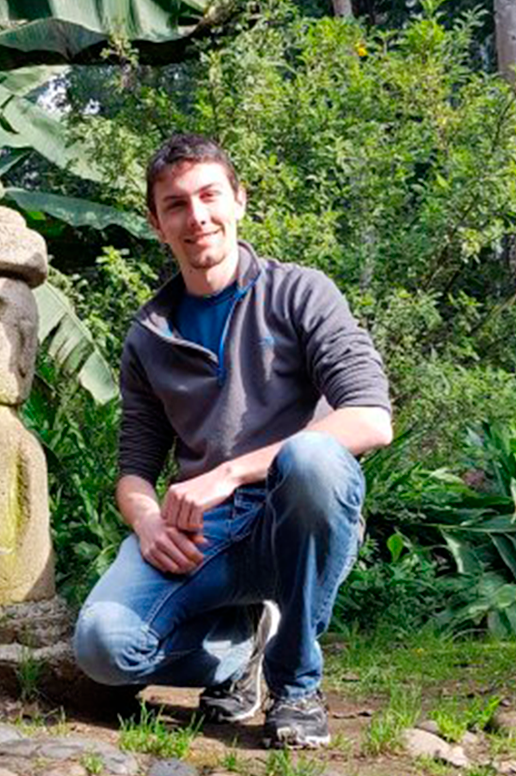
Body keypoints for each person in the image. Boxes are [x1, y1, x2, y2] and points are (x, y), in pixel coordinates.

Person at [73, 134, 392, 748]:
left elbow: (370, 418)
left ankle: (296, 686)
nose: (197, 216)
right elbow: (134, 469)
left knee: (312, 459)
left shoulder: (300, 292)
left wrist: (228, 473)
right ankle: (237, 650)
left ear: (239, 200)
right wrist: (147, 521)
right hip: (203, 537)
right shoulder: (148, 335)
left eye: (210, 195)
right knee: (102, 646)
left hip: (294, 519)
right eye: (175, 204)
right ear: (157, 223)